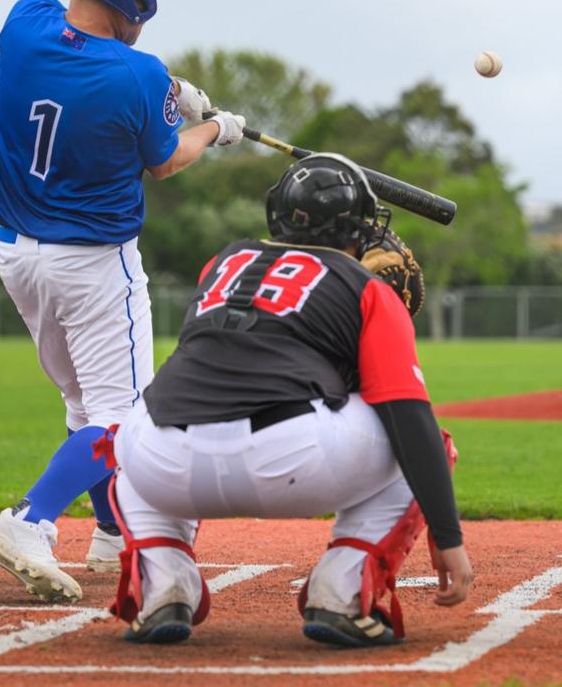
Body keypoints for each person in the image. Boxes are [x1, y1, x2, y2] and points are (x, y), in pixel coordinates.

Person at [0, 0, 246, 603]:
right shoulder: (136, 74)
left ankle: (109, 535)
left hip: (18, 258)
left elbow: (88, 57)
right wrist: (216, 128)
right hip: (94, 266)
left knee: (84, 404)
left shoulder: (24, 20)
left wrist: (173, 88)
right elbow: (166, 159)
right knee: (123, 417)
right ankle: (29, 520)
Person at [100, 153, 474, 646]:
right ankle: (340, 591)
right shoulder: (368, 287)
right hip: (291, 459)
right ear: (360, 227)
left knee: (124, 440)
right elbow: (407, 413)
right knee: (423, 440)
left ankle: (163, 582)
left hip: (163, 459)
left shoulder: (223, 263)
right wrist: (449, 538)